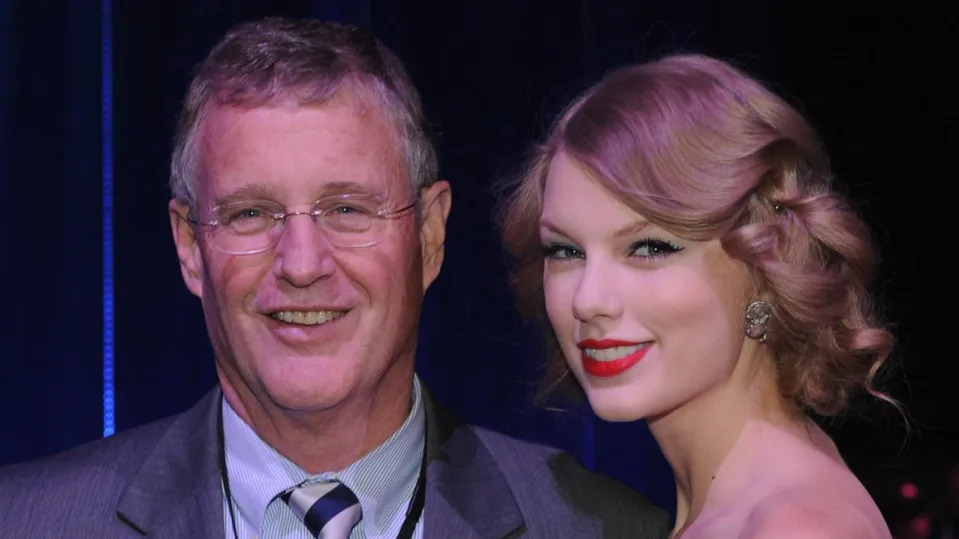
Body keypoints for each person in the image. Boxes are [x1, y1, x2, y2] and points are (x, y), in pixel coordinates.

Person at [0, 17, 670, 538]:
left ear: (429, 235)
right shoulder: (25, 523)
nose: (300, 264)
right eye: (250, 213)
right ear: (188, 245)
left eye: (347, 208)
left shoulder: (606, 530)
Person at [500, 53, 896, 538]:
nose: (588, 299)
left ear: (765, 264)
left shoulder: (791, 526)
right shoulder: (739, 500)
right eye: (565, 250)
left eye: (648, 248)